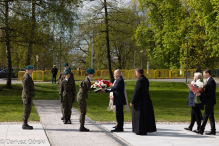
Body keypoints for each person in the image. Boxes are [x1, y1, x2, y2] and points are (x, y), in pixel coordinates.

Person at [130, 68, 156, 135]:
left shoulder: (139, 81)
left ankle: (139, 130)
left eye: (136, 73)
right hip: (146, 99)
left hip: (139, 101)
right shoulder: (146, 79)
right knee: (144, 116)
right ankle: (144, 129)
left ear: (138, 73)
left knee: (139, 116)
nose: (135, 74)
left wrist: (132, 101)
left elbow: (136, 92)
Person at [195, 69, 216, 135]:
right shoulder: (208, 80)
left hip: (210, 101)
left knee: (206, 115)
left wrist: (200, 94)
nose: (203, 75)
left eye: (204, 73)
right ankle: (213, 130)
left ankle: (201, 129)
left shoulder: (211, 81)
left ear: (208, 73)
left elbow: (210, 93)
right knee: (210, 116)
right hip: (208, 101)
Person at [21, 65, 35, 130]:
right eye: (31, 69)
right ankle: (24, 124)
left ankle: (25, 123)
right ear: (28, 70)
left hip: (28, 96)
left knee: (28, 109)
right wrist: (28, 97)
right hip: (27, 96)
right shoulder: (26, 77)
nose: (32, 70)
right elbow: (26, 88)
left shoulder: (28, 76)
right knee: (26, 109)